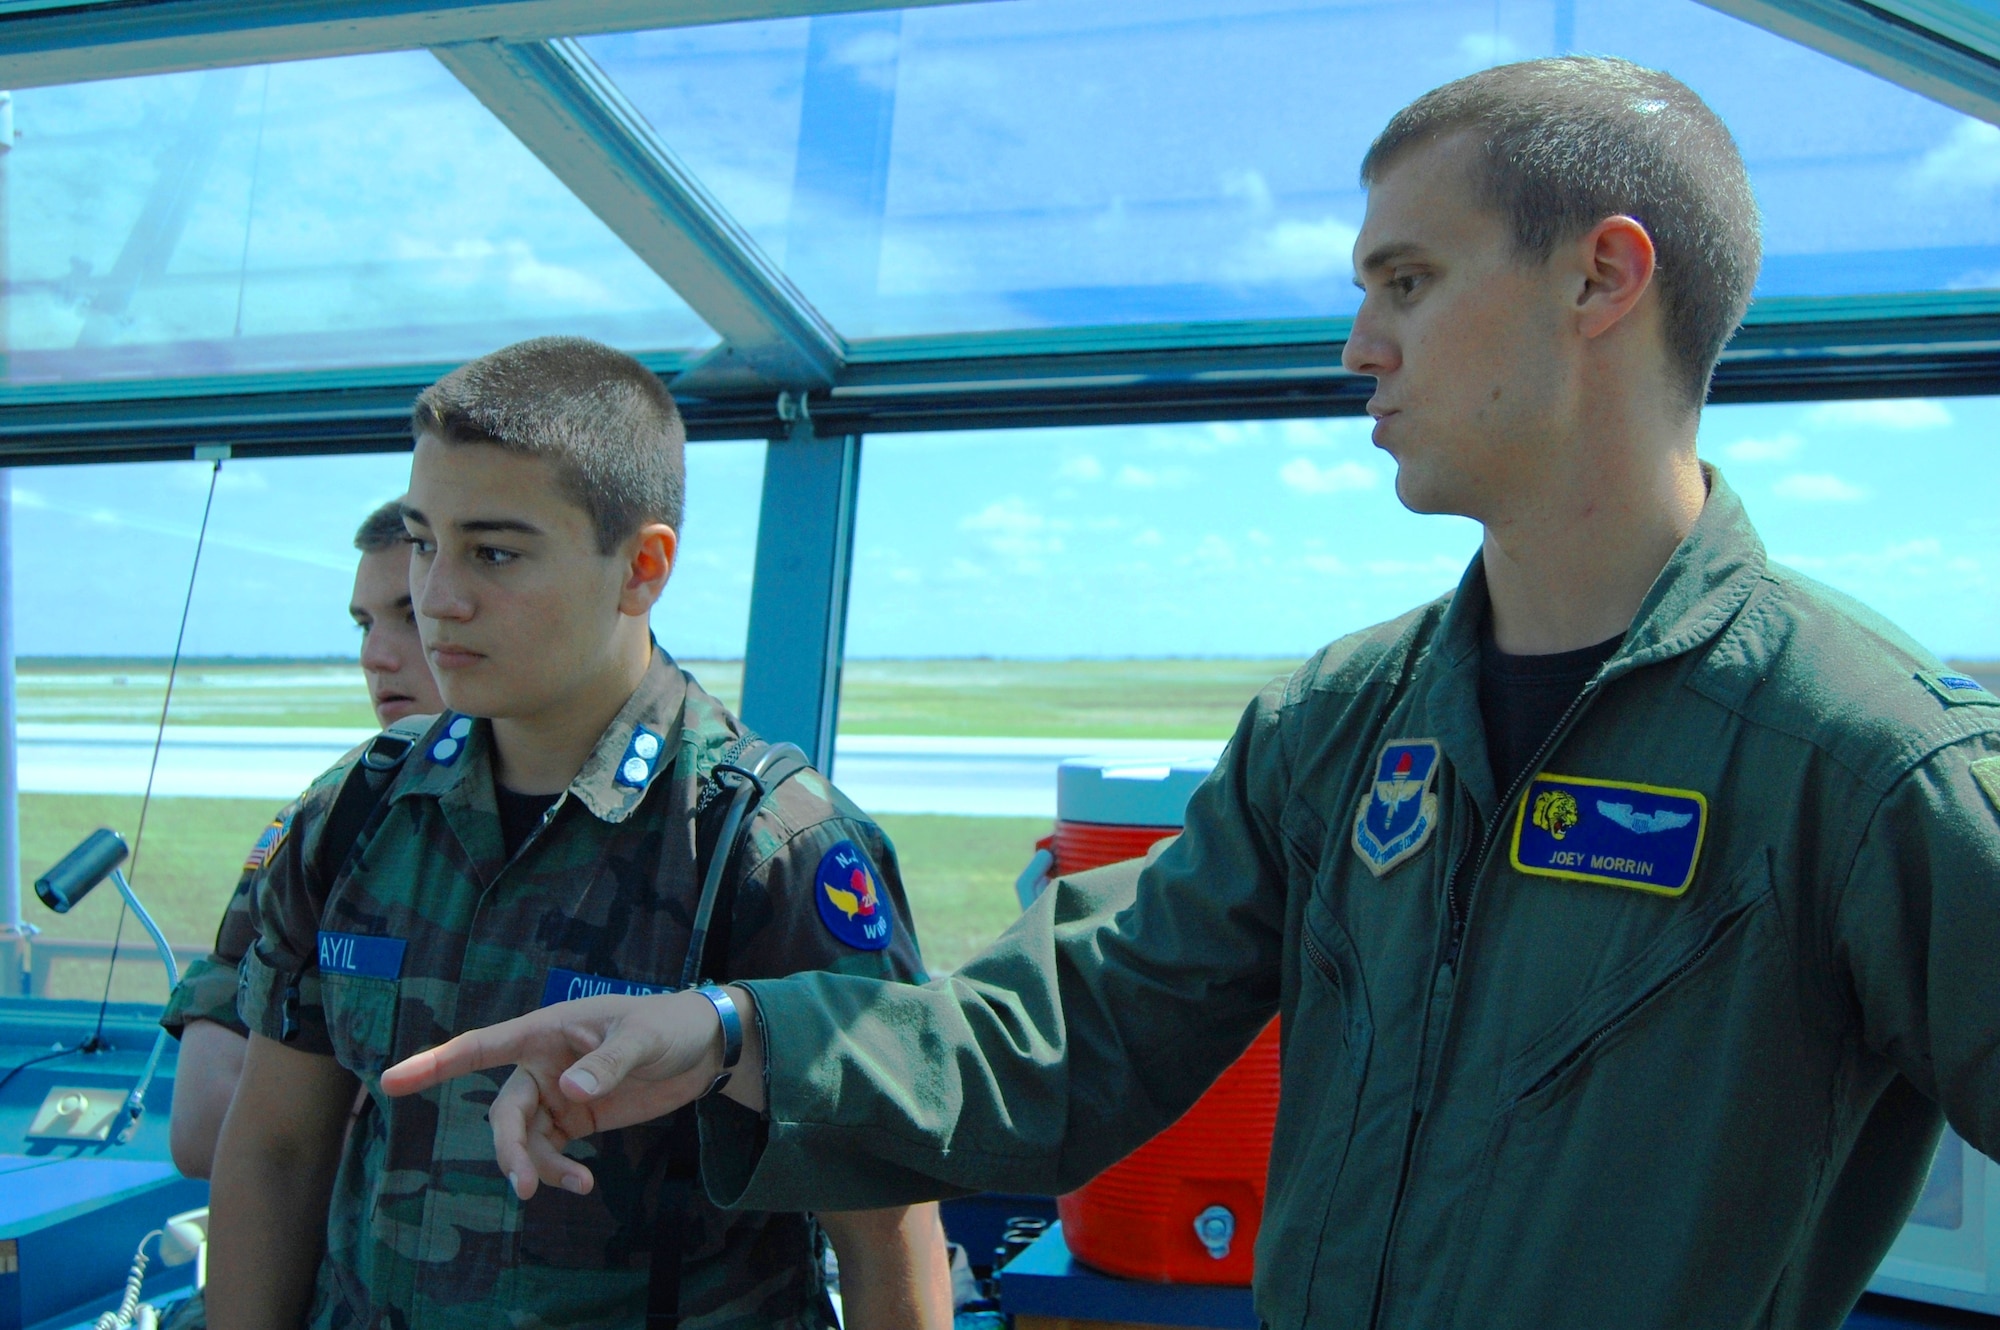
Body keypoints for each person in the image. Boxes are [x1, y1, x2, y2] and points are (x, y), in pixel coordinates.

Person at [386, 58, 2000, 1330]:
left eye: (1411, 280)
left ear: (1602, 279)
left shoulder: (1854, 758)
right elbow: (1079, 1030)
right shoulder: (1345, 728)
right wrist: (730, 1033)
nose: (1359, 343)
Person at [207, 338, 953, 1330]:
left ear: (640, 569)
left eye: (495, 552)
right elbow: (276, 1148)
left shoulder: (762, 848)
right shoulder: (354, 812)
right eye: (426, 541)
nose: (438, 598)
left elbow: (882, 1224)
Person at [161, 498, 445, 1181]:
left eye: (411, 614)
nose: (376, 656)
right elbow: (203, 1124)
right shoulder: (328, 824)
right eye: (365, 624)